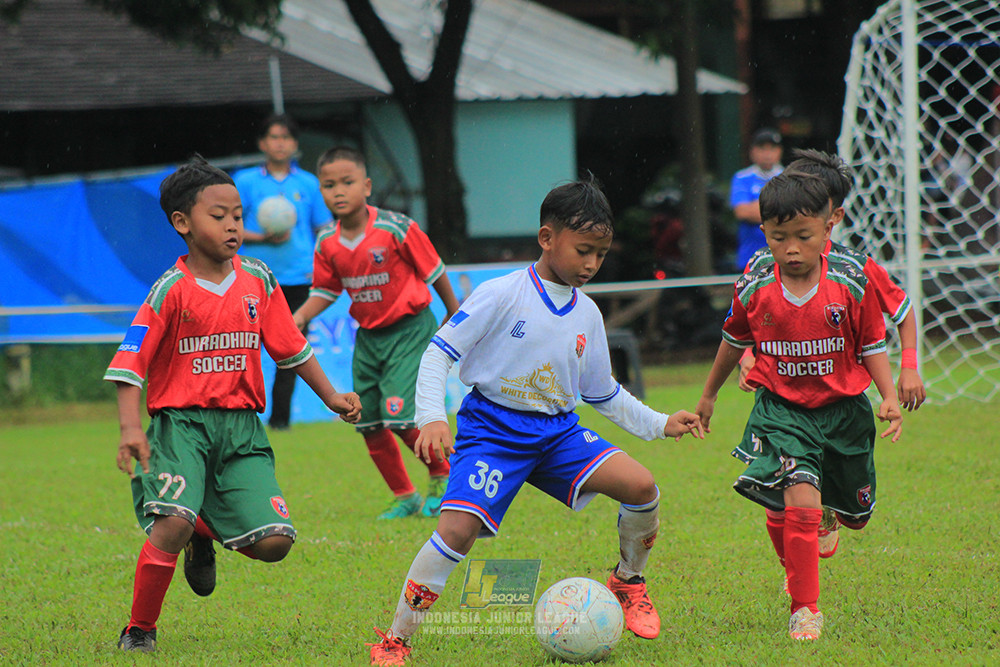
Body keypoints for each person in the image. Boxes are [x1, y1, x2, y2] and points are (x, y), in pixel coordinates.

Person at [367, 178, 706, 666]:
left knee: (642, 487)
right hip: (492, 431)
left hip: (557, 432)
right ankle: (395, 640)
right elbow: (438, 354)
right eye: (583, 250)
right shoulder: (501, 294)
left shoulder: (587, 313)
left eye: (601, 255)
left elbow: (602, 391)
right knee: (456, 532)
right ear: (547, 238)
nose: (591, 264)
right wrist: (431, 419)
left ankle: (628, 582)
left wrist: (658, 423)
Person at [104, 155, 361, 652]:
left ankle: (204, 531)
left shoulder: (258, 280)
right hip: (182, 427)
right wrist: (131, 430)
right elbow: (129, 364)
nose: (232, 226)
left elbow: (291, 348)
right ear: (182, 223)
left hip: (242, 430)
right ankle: (139, 631)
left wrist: (331, 396)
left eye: (238, 216)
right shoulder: (169, 291)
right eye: (217, 216)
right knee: (170, 521)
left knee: (274, 543)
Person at [695, 170, 903, 641]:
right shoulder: (754, 280)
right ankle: (805, 607)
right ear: (764, 233)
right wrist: (708, 397)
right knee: (798, 500)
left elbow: (871, 343)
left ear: (828, 229)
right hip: (783, 410)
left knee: (856, 514)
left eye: (803, 236)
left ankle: (828, 520)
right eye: (778, 237)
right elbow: (732, 340)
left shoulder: (851, 280)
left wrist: (888, 395)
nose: (791, 248)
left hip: (844, 411)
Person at [739, 148, 926, 557]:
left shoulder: (856, 269)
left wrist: (908, 368)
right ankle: (799, 575)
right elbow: (752, 320)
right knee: (784, 483)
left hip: (842, 401)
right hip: (784, 399)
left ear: (831, 216)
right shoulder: (766, 268)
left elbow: (904, 312)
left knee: (857, 515)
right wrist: (747, 355)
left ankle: (833, 508)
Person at [293, 146, 461, 520]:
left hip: (410, 331)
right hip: (368, 338)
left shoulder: (396, 228)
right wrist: (300, 316)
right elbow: (326, 289)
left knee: (401, 417)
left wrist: (453, 310)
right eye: (329, 185)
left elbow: (434, 270)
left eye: (347, 182)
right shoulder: (327, 242)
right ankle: (405, 496)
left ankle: (442, 478)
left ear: (366, 186)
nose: (338, 191)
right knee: (365, 420)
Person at [233, 113, 332, 431]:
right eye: (273, 137)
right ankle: (239, 416)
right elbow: (228, 227)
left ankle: (280, 422)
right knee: (243, 347)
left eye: (286, 137)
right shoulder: (246, 181)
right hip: (253, 276)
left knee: (291, 350)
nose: (280, 143)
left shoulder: (308, 183)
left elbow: (324, 228)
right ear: (262, 143)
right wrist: (263, 237)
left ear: (295, 145)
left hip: (298, 278)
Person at [730, 127, 784, 270]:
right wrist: (779, 209)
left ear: (779, 151)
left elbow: (794, 213)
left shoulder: (789, 177)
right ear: (752, 152)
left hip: (783, 256)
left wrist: (757, 207)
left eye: (772, 148)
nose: (767, 154)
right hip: (751, 256)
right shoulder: (742, 177)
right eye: (762, 148)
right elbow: (742, 212)